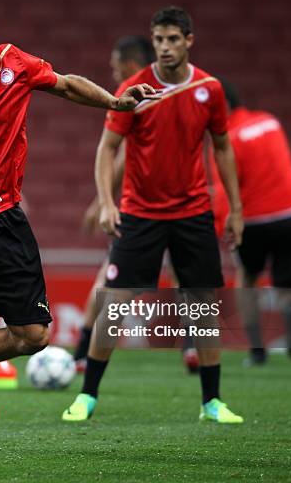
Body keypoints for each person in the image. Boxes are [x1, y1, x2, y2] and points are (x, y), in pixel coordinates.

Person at [0, 0, 159, 451]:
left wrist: (116, 104)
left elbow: (65, 84)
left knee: (34, 336)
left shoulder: (13, 64)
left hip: (5, 216)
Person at [63, 6, 244, 424]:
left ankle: (211, 402)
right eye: (159, 39)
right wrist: (107, 202)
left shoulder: (209, 89)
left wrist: (236, 208)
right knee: (114, 305)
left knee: (202, 305)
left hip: (194, 212)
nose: (164, 47)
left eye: (173, 39)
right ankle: (87, 396)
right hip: (140, 214)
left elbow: (222, 147)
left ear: (188, 41)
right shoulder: (133, 88)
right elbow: (108, 149)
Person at [75, 35, 199, 374]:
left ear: (129, 64)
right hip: (185, 203)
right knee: (184, 277)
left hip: (147, 208)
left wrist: (102, 201)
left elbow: (122, 153)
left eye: (115, 67)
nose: (114, 75)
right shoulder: (177, 88)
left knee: (111, 279)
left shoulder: (141, 92)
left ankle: (82, 354)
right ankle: (192, 348)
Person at [213, 80, 291, 366]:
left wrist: (221, 227)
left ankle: (257, 350)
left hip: (253, 218)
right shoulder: (270, 122)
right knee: (287, 283)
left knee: (247, 278)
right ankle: (289, 312)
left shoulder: (225, 136)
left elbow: (222, 188)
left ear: (223, 105)